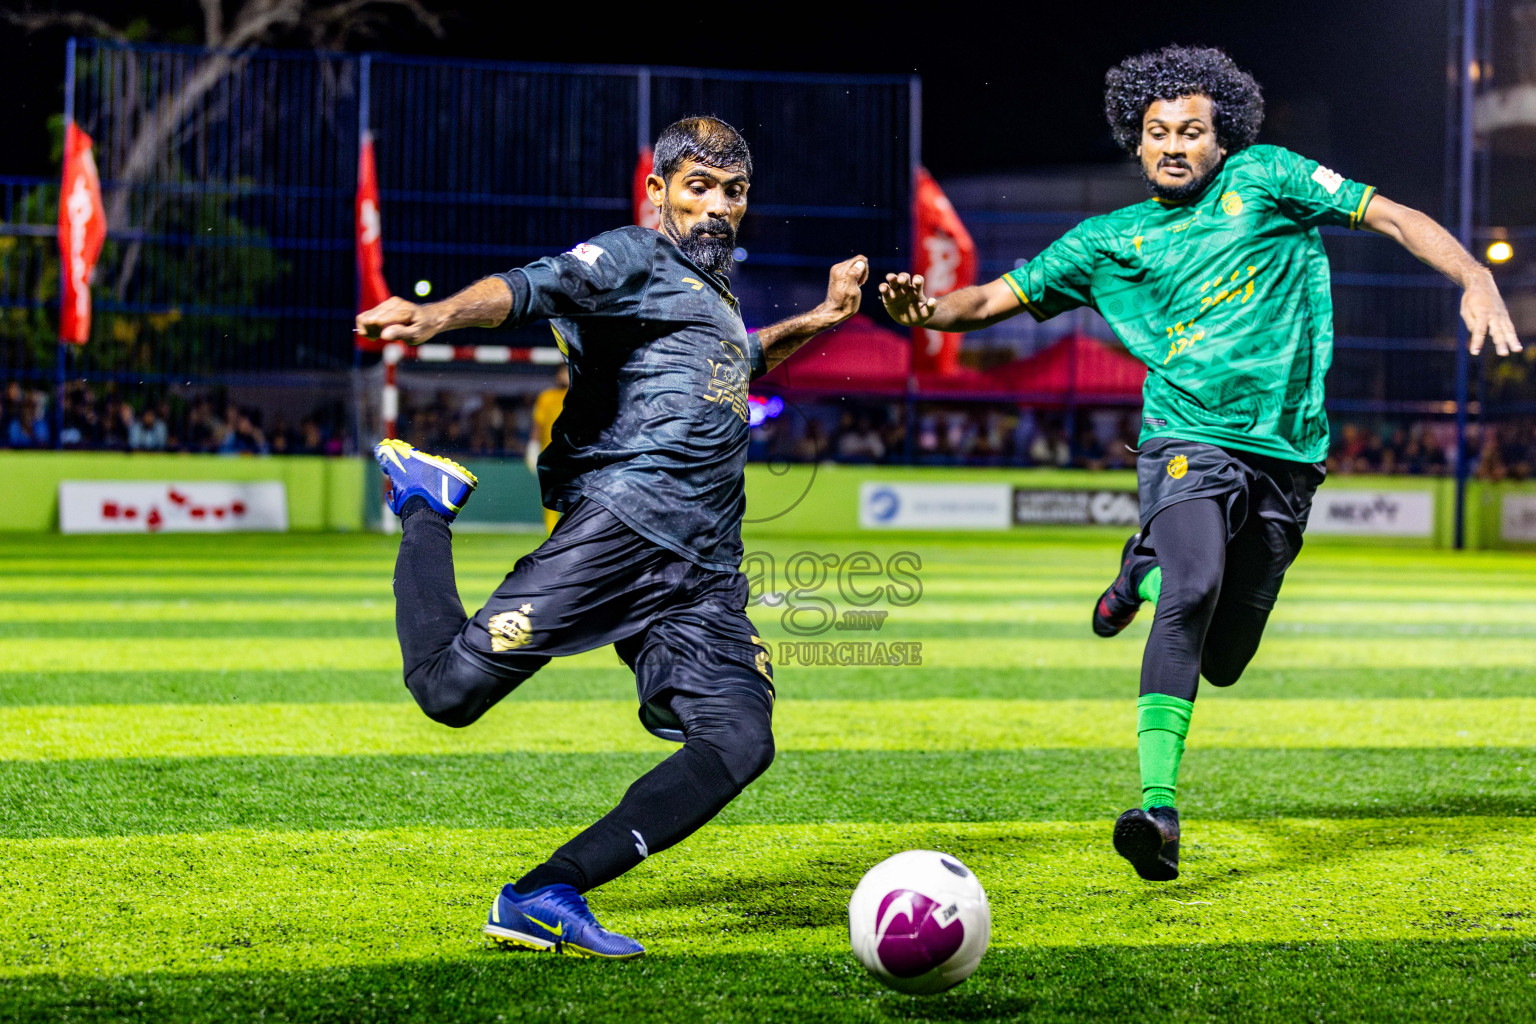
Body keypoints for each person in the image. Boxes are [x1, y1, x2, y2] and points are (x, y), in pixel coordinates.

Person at [880, 45, 1521, 883]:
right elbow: (989, 299)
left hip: (1289, 459)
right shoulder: (1108, 242)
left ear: (1223, 141)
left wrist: (1472, 273)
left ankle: (1135, 570)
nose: (1174, 144)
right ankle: (1158, 809)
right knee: (1194, 588)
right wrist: (925, 310)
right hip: (1186, 439)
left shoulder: (1268, 178)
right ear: (1136, 144)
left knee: (1224, 661)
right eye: (1157, 133)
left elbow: (1393, 215)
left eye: (1192, 130)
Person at [357, 116, 868, 957]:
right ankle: (424, 501)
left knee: (740, 740)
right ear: (659, 190)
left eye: (733, 193)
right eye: (698, 188)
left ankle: (544, 892)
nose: (718, 208)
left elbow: (735, 362)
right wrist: (436, 314)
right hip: (626, 525)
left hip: (702, 569)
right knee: (448, 694)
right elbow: (535, 284)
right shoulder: (634, 255)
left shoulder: (711, 290)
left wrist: (823, 316)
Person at [527, 364, 569, 532]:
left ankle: (571, 531)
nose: (565, 375)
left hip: (574, 452)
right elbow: (538, 424)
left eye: (567, 371)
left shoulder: (580, 395)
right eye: (562, 372)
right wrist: (533, 447)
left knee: (572, 494)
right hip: (550, 453)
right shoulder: (546, 397)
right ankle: (552, 533)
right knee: (550, 494)